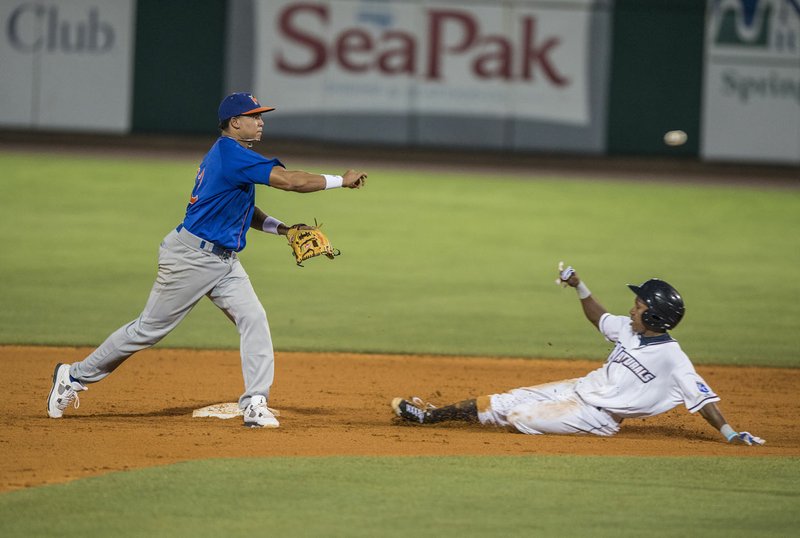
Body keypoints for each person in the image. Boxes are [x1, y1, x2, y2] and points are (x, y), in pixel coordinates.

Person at [47, 92, 368, 428]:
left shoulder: (235, 156)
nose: (261, 122)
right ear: (235, 123)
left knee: (253, 319)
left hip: (223, 261)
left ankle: (256, 404)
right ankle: (73, 376)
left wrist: (284, 229)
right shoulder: (232, 154)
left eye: (261, 116)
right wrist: (340, 181)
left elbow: (244, 210)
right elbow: (290, 181)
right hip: (191, 258)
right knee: (148, 330)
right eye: (254, 116)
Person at [391, 263, 765, 446]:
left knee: (518, 414)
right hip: (577, 388)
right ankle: (429, 417)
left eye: (638, 305)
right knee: (502, 399)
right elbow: (598, 317)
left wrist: (730, 434)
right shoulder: (630, 329)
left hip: (596, 416)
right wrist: (579, 285)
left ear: (653, 315)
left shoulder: (673, 358)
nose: (632, 309)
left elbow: (703, 400)